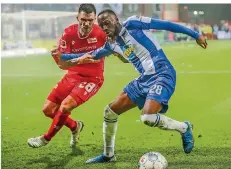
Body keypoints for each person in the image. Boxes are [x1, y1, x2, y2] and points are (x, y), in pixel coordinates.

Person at [62, 9, 207, 163]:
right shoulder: (111, 44)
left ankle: (184, 128)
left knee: (147, 117)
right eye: (101, 25)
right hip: (144, 79)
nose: (104, 27)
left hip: (162, 73)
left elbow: (165, 24)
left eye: (107, 23)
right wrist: (62, 55)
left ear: (116, 20)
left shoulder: (133, 23)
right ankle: (108, 155)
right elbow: (92, 54)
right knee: (109, 112)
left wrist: (196, 35)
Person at [27, 4, 107, 148]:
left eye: (90, 20)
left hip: (92, 79)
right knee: (48, 110)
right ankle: (75, 126)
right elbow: (62, 65)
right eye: (83, 19)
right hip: (72, 75)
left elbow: (116, 47)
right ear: (77, 17)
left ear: (95, 19)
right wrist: (79, 60)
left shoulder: (101, 33)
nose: (87, 23)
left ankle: (45, 139)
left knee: (65, 106)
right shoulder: (68, 34)